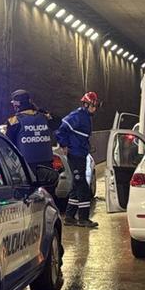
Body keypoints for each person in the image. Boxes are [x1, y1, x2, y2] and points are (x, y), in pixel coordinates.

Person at [56, 91, 101, 228]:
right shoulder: (77, 116)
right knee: (83, 187)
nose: (95, 109)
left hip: (80, 154)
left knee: (76, 186)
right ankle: (83, 218)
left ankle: (69, 217)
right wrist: (63, 144)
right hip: (75, 154)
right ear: (86, 104)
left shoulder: (85, 117)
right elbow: (61, 130)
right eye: (93, 106)